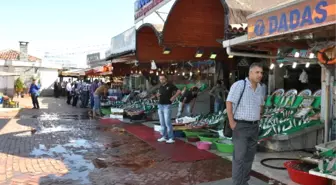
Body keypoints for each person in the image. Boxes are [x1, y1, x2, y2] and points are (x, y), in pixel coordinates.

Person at [226, 63, 264, 185]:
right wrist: (232, 123)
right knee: (239, 157)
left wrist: (259, 116)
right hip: (241, 126)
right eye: (257, 72)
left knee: (249, 157)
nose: (260, 75)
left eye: (261, 72)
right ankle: (237, 183)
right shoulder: (239, 85)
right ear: (250, 73)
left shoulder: (260, 88)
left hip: (254, 126)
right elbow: (229, 103)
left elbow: (261, 104)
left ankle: (244, 181)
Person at [155, 75, 181, 144]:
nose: (161, 80)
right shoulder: (160, 87)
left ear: (166, 79)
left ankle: (171, 138)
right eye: (160, 79)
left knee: (167, 122)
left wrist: (174, 97)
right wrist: (157, 96)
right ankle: (164, 136)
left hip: (167, 106)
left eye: (163, 79)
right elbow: (159, 96)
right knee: (162, 122)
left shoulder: (170, 85)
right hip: (160, 105)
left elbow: (179, 91)